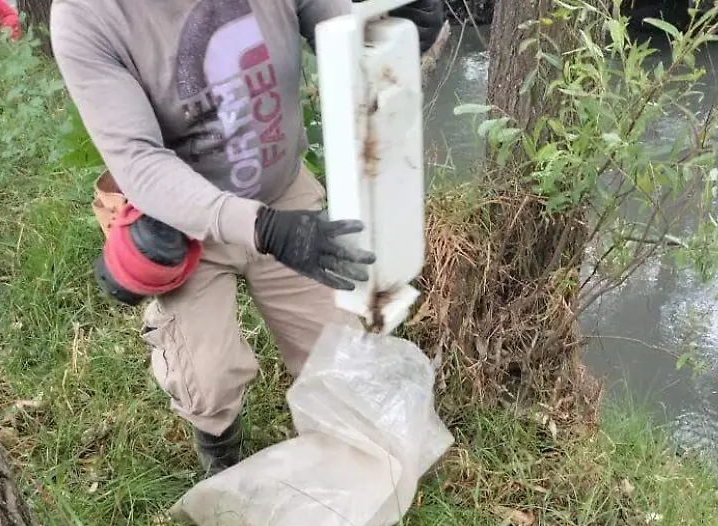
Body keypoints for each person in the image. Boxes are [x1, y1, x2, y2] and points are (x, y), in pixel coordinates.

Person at [49, 0, 446, 476]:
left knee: (339, 357)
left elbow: (338, 25)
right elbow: (138, 160)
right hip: (186, 221)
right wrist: (262, 229)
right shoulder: (87, 16)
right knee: (208, 378)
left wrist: (392, 35)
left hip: (283, 193)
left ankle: (342, 447)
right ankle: (220, 452)